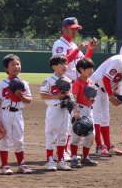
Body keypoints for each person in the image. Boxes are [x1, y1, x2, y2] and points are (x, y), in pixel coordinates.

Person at [52, 17, 97, 160]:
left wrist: (90, 49)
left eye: (76, 29)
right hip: (65, 84)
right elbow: (62, 62)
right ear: (63, 29)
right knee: (65, 119)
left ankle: (66, 151)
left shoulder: (73, 45)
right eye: (72, 28)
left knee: (72, 119)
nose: (75, 31)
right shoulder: (60, 44)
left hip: (76, 85)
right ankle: (63, 151)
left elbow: (84, 63)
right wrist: (78, 48)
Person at [0, 54, 33, 175]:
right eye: (12, 65)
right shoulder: (2, 83)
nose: (16, 67)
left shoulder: (24, 83)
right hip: (5, 113)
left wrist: (21, 96)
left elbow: (29, 100)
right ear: (6, 68)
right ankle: (5, 165)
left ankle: (21, 164)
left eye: (18, 64)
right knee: (5, 139)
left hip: (18, 114)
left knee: (19, 139)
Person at [40, 54, 72, 171]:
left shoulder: (68, 80)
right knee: (51, 136)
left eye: (66, 64)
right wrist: (57, 96)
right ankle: (50, 161)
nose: (65, 66)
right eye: (62, 64)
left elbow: (70, 95)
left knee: (63, 135)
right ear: (54, 67)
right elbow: (43, 95)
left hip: (65, 111)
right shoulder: (49, 80)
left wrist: (70, 100)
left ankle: (61, 161)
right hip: (54, 110)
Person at [70, 58, 98, 168]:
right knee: (77, 135)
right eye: (89, 68)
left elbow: (88, 98)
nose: (92, 71)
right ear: (81, 69)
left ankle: (85, 158)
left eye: (92, 68)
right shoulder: (77, 83)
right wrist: (75, 112)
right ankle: (73, 158)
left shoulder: (90, 82)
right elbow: (74, 99)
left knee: (91, 135)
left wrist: (92, 100)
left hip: (88, 110)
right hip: (79, 110)